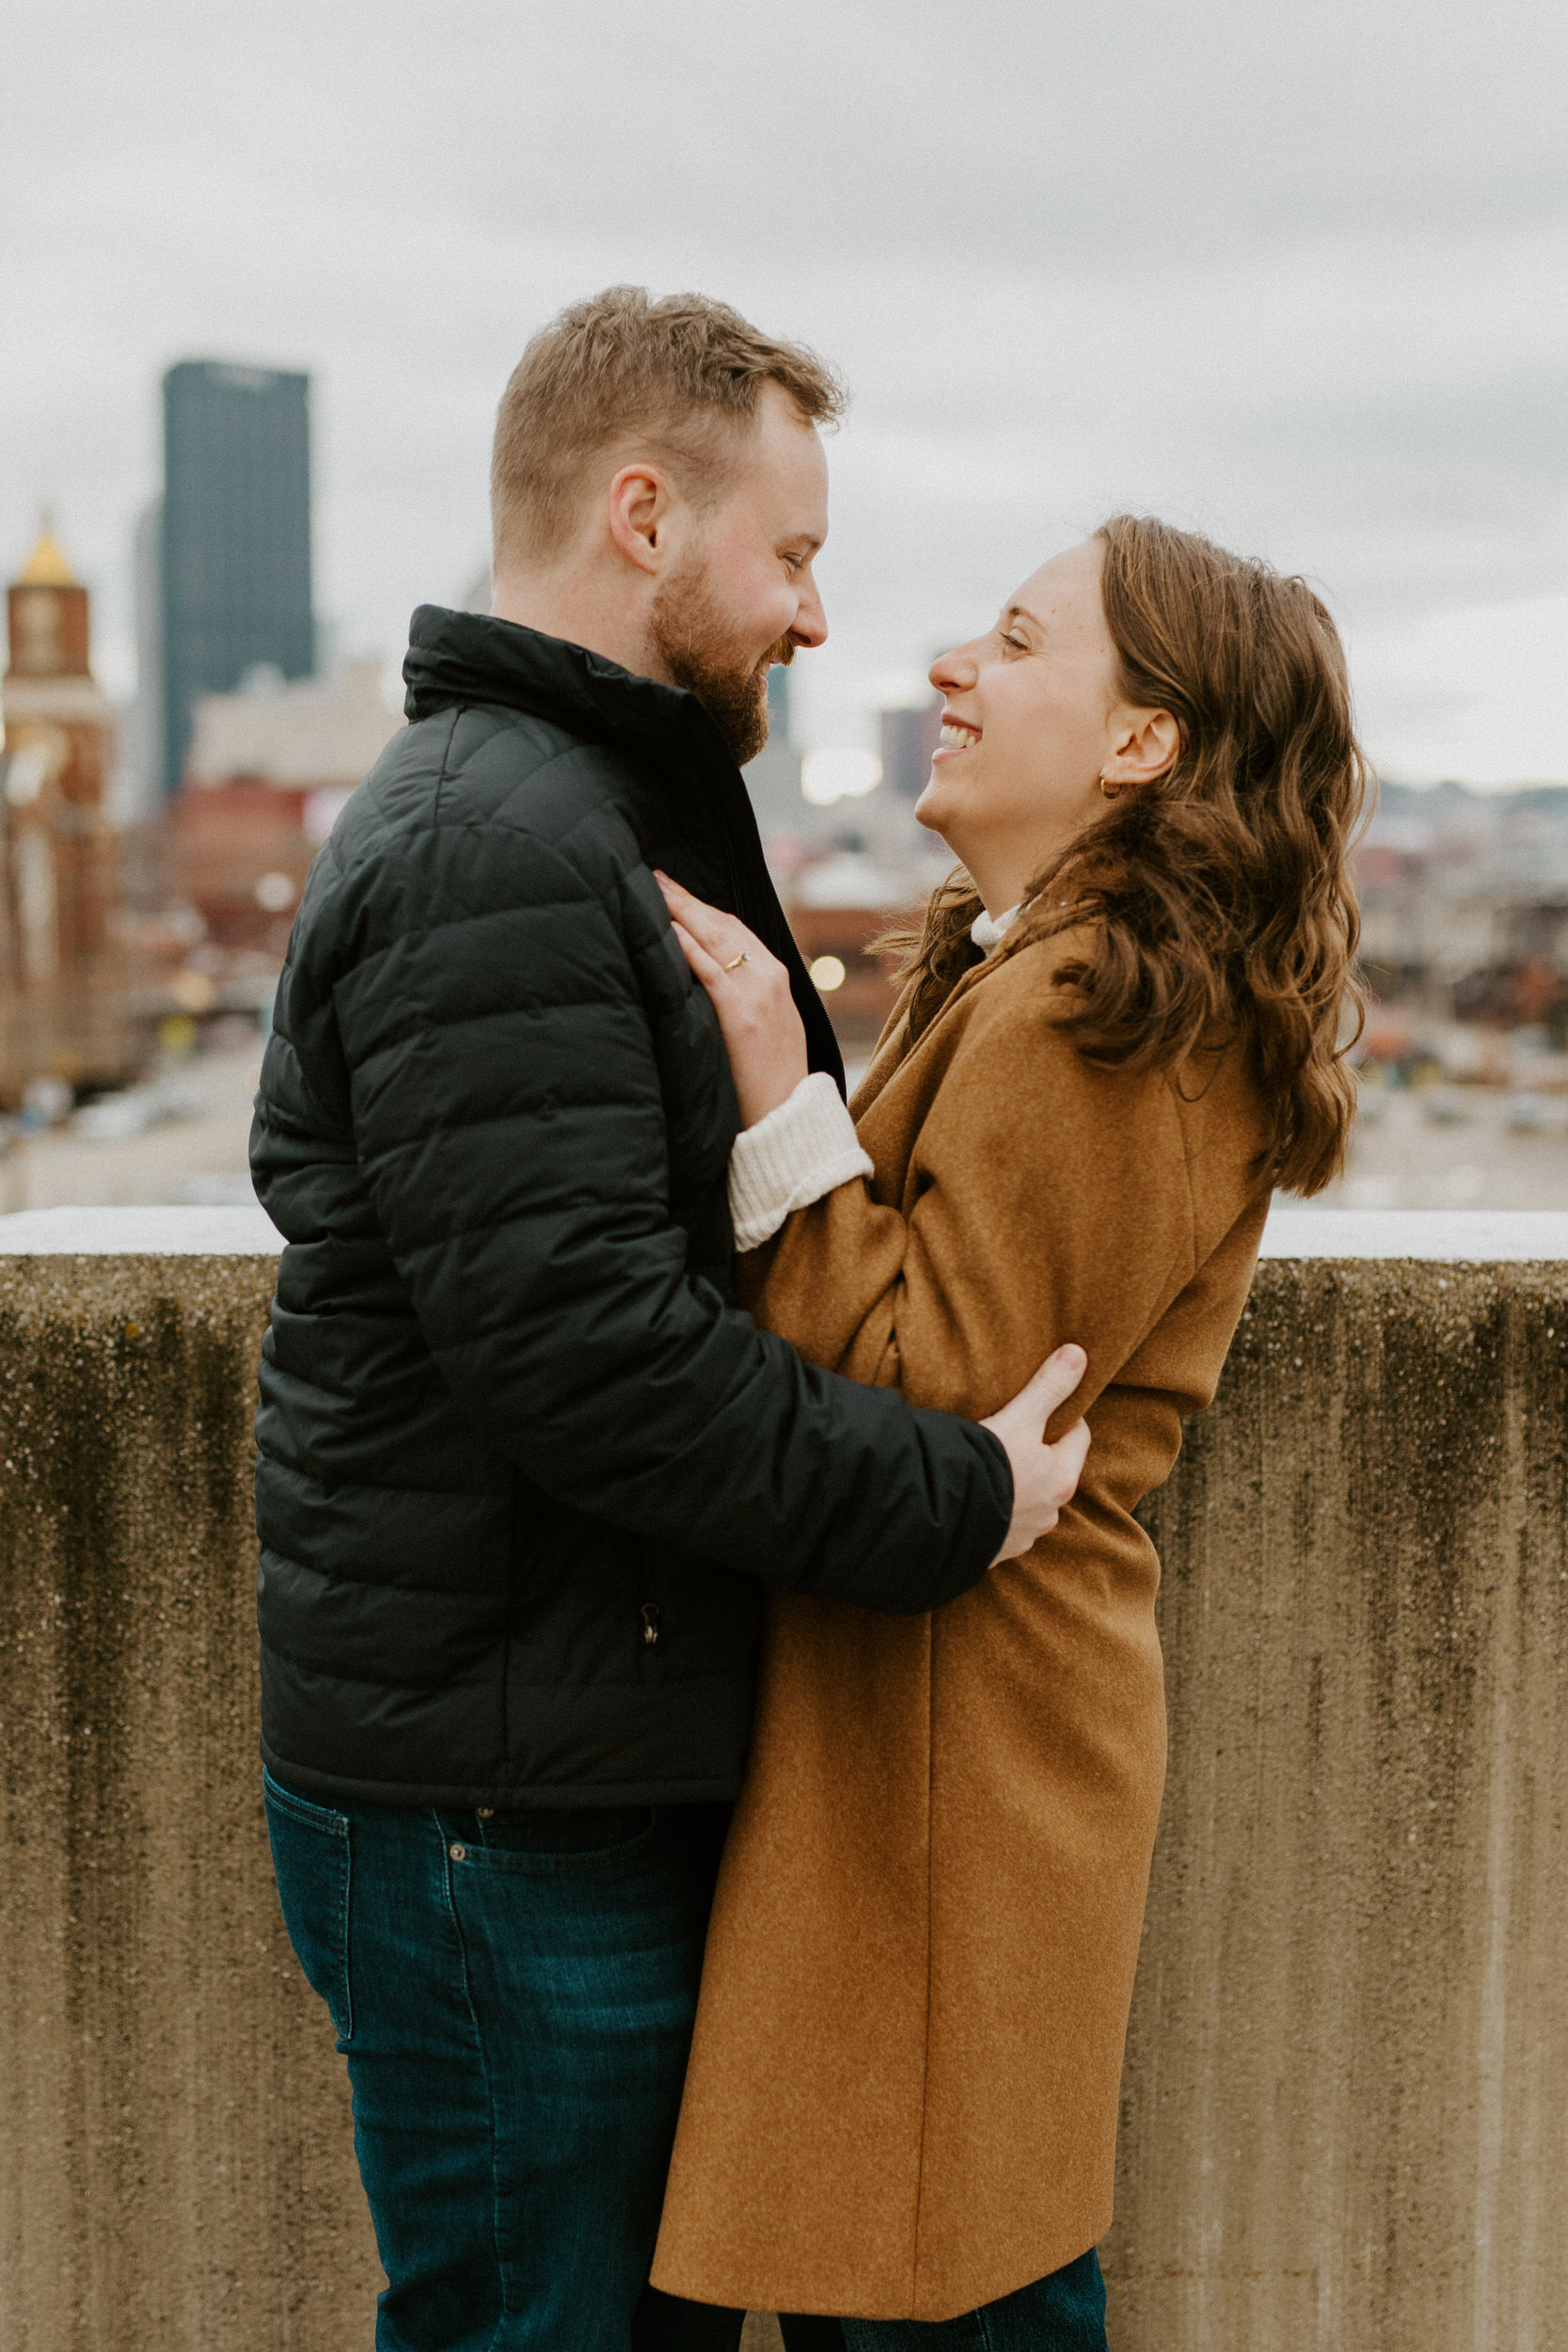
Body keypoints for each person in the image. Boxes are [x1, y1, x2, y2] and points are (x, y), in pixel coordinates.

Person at [248, 286, 1089, 2352]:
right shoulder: (499, 845)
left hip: (551, 1753)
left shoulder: (587, 806)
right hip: (498, 1816)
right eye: (790, 553)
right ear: (643, 514)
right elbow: (586, 1357)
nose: (818, 617)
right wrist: (955, 1493)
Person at [648, 516, 1368, 2348]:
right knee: (945, 2264)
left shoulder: (1096, 1000)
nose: (952, 667)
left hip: (950, 1759)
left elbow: (918, 1397)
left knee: (942, 2277)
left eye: (1019, 641)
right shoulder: (1068, 973)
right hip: (954, 1745)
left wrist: (775, 1104)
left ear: (1141, 744)